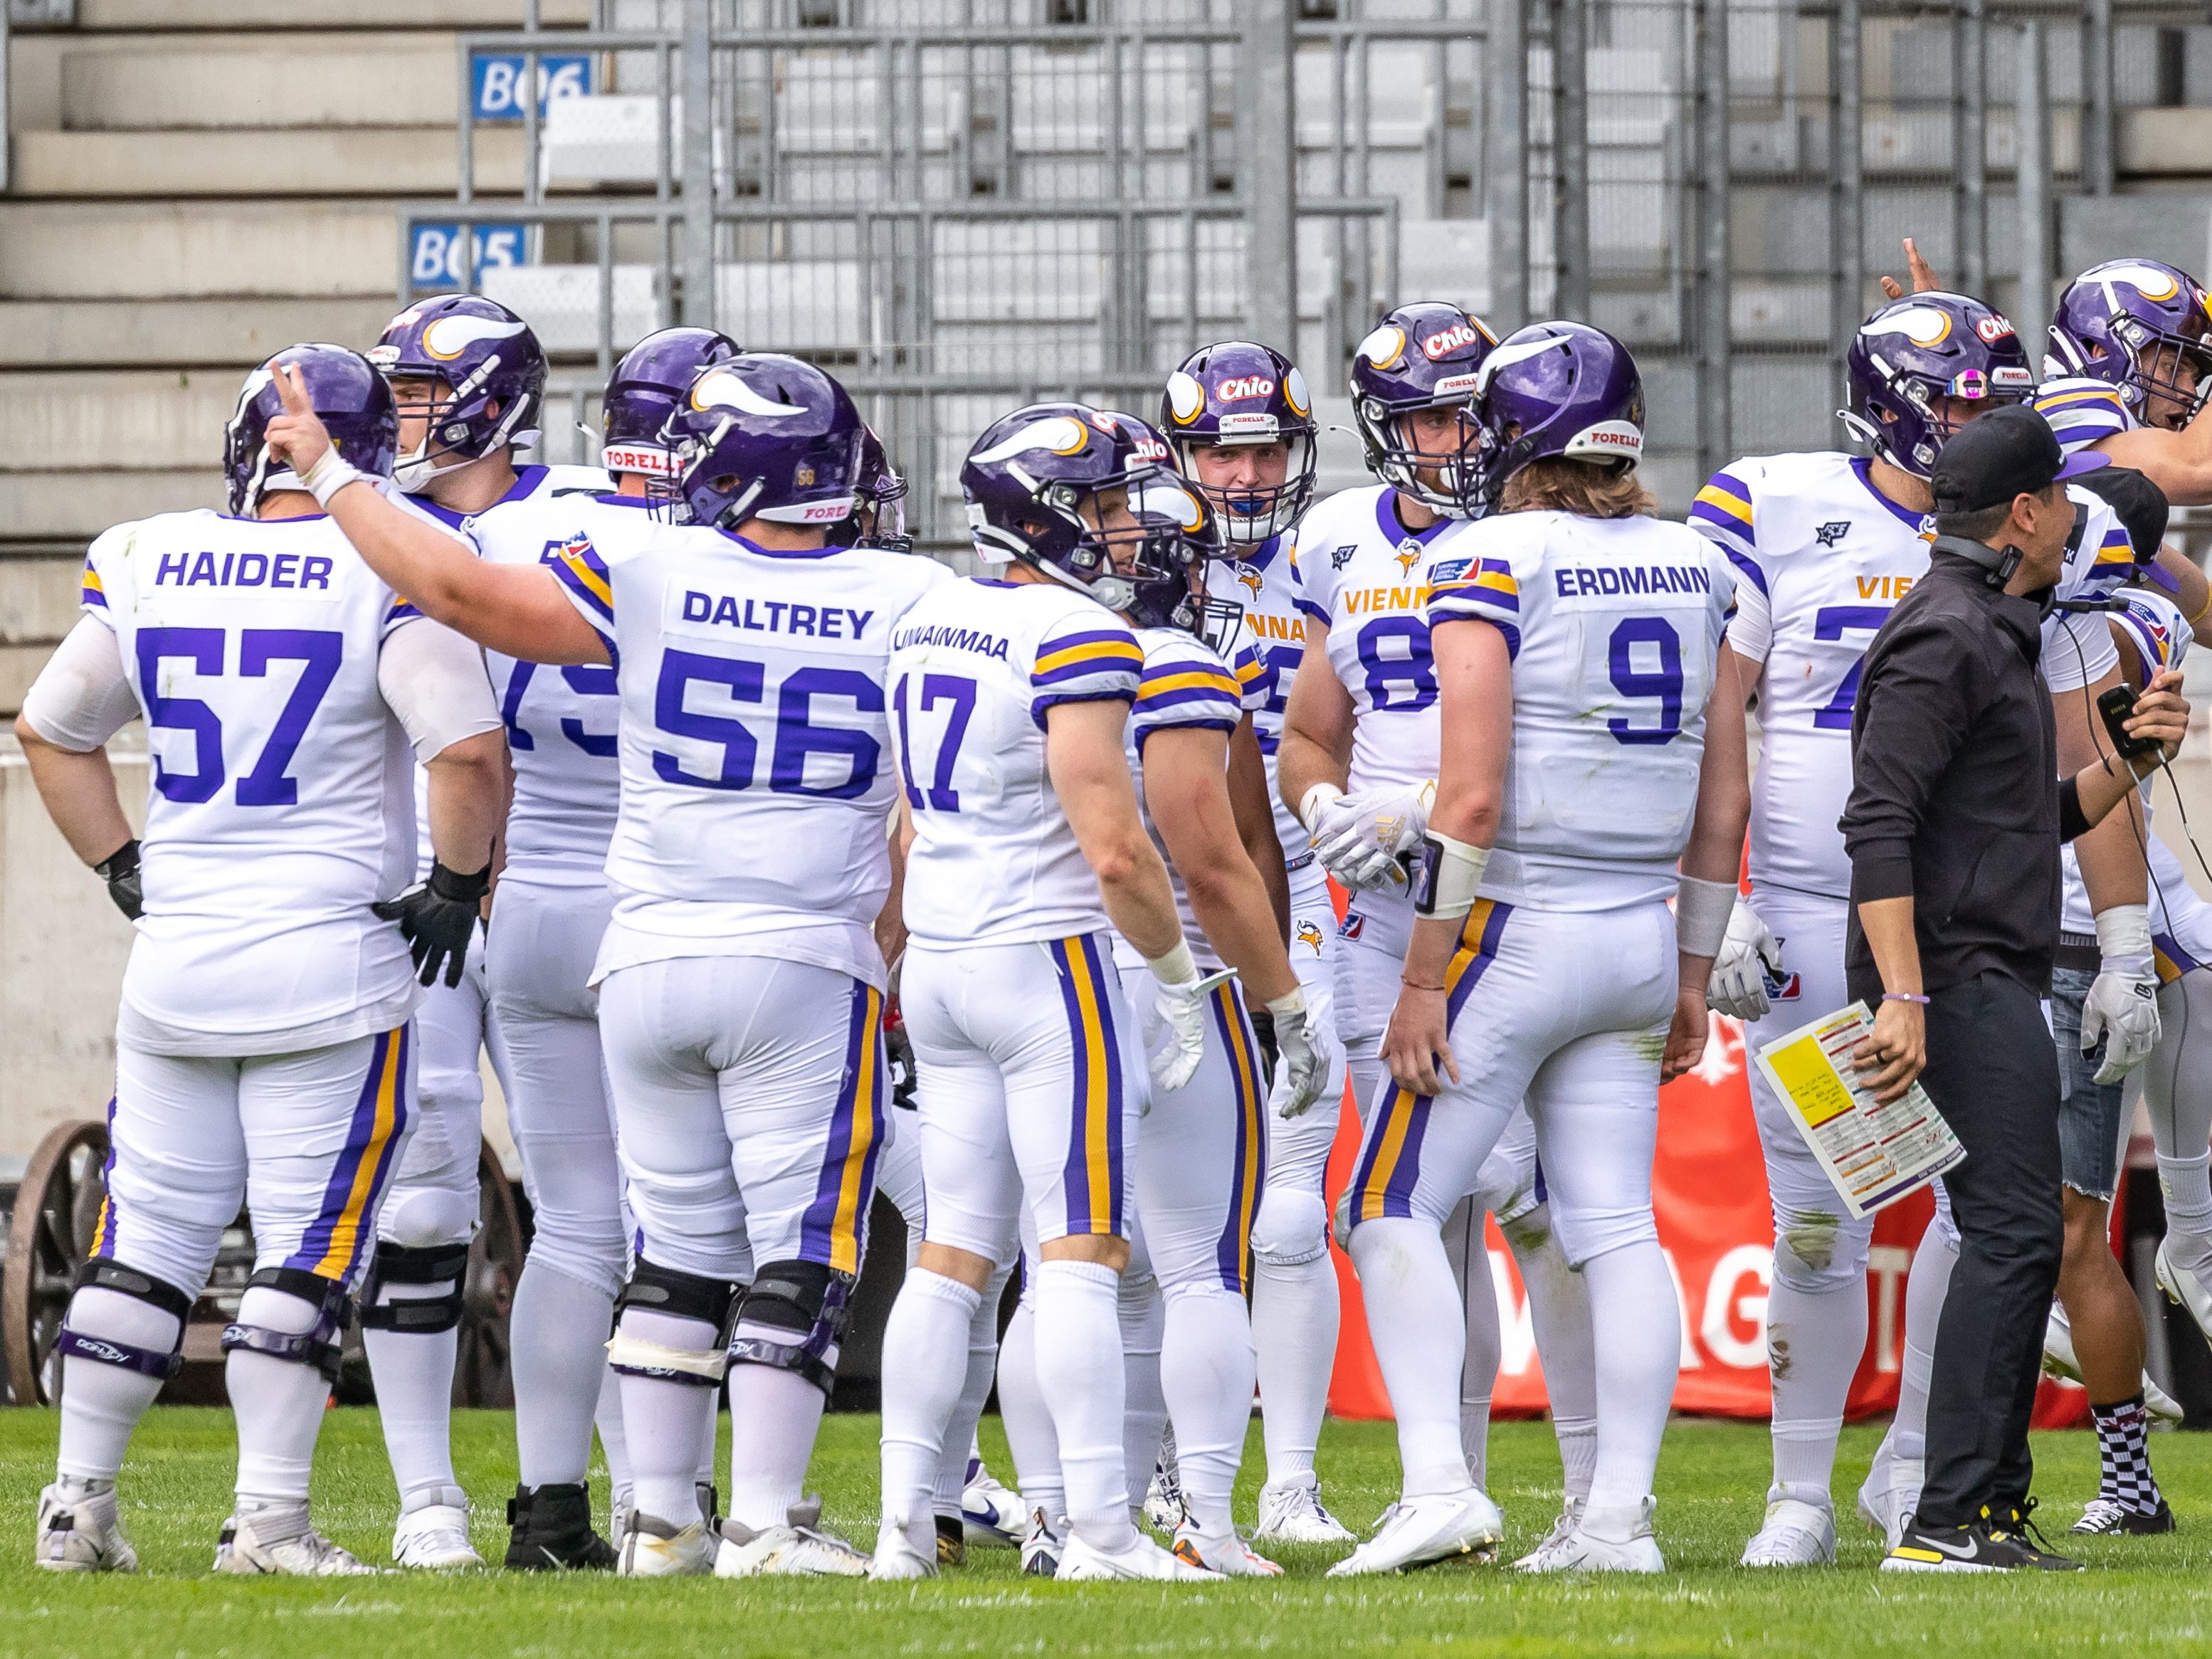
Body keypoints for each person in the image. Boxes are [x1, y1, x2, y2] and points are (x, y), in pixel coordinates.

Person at [267, 349, 937, 1579]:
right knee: (798, 1246)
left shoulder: (644, 560)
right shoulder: (907, 594)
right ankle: (765, 1521)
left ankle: (656, 1520)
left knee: (651, 1244)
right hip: (798, 951)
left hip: (628, 948)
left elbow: (456, 595)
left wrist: (326, 472)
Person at [21, 345, 506, 1574]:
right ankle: (271, 1521)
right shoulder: (377, 568)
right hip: (330, 966)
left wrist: (121, 865)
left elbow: (50, 725)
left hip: (179, 961)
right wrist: (454, 885)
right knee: (305, 1255)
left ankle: (77, 1509)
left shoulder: (145, 553)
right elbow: (464, 751)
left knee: (149, 1241)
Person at [1690, 289, 2127, 1563]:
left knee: (1975, 1214)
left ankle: (1917, 1479)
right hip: (1823, 924)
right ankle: (1797, 1495)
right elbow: (1724, 734)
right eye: (1954, 397)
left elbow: (2058, 757)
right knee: (1822, 1220)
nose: (1973, 418)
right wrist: (1714, 910)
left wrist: (2118, 929)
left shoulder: (2030, 549)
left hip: (1948, 932)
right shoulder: (1779, 505)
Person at [1329, 321, 1745, 1576]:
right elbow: (1725, 799)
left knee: (1386, 1206)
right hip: (1636, 930)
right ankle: (1616, 1520)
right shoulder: (1696, 561)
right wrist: (1689, 972)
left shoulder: (1491, 554)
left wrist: (1419, 979)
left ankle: (1438, 1486)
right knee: (1616, 1226)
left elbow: (1466, 801)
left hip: (1515, 929)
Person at [869, 403, 1221, 1584]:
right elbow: (1116, 849)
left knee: (953, 1252)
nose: (1130, 530)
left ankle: (901, 1529)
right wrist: (1176, 980)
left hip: (943, 955)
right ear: (1050, 514)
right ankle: (1103, 1534)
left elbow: (909, 827)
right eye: (1111, 506)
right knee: (1079, 1250)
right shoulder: (1078, 634)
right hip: (1046, 960)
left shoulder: (928, 616)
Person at [1840, 405, 2192, 1573]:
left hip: (1979, 964)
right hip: (1950, 974)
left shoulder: (1985, 624)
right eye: (2061, 505)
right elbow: (1878, 825)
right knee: (2009, 1235)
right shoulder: (1948, 635)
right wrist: (1904, 996)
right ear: (2028, 514)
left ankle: (1977, 1510)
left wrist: (2131, 760)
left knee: (2016, 1238)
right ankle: (1949, 1517)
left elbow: (2023, 821)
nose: (2071, 528)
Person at [1275, 302, 1599, 1557]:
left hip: (1518, 900)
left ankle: (1587, 1497)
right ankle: (1445, 1482)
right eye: (1424, 417)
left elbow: (1564, 746)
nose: (1452, 439)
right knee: (1423, 1201)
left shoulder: (1544, 538)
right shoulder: (1336, 540)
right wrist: (1326, 813)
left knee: (1541, 1207)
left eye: (1469, 412)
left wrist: (1407, 809)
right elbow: (1307, 731)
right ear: (1380, 429)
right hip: (1381, 918)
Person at [471, 324, 739, 1570]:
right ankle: (660, 1502)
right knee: (674, 1228)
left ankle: (548, 1511)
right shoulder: (711, 559)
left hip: (522, 902)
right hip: (655, 909)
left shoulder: (524, 532)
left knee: (573, 1222)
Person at [354, 293, 613, 1568]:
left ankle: (632, 1499)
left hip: (563, 879)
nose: (395, 419)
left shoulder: (581, 519)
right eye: (390, 394)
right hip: (422, 878)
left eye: (416, 394)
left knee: (614, 1213)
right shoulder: (375, 522)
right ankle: (427, 1500)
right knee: (425, 1185)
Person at [1169, 340, 1356, 1542]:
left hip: (1303, 907)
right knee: (1144, 1229)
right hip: (1157, 919)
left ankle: (1289, 1483)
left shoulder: (1340, 558)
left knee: (1292, 1212)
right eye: (1224, 450)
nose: (1245, 473)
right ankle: (1148, 1481)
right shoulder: (1125, 557)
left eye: (1266, 448)